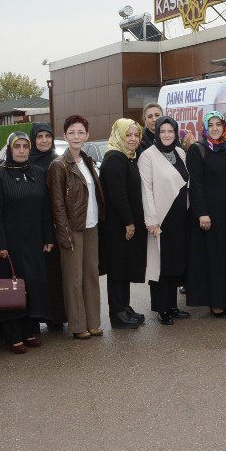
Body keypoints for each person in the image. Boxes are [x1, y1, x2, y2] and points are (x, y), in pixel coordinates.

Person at [0, 133, 55, 353]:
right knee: (13, 287)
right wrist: (0, 244)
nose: (21, 151)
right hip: (9, 244)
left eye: (25, 146)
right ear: (10, 150)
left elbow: (45, 209)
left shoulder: (38, 174)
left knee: (32, 285)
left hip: (34, 241)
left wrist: (48, 237)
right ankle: (12, 335)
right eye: (17, 147)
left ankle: (30, 329)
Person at [48, 115, 104, 339]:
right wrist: (64, 235)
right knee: (74, 278)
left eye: (81, 132)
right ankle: (78, 325)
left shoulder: (87, 160)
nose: (76, 136)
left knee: (91, 274)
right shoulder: (58, 165)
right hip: (72, 228)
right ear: (64, 136)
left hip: (91, 226)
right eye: (72, 132)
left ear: (87, 135)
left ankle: (94, 322)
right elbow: (58, 205)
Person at [186, 111, 226, 316]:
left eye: (218, 124)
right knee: (213, 259)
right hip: (209, 216)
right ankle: (216, 301)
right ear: (205, 128)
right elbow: (196, 185)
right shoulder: (198, 150)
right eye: (210, 125)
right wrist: (202, 212)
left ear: (224, 126)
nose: (215, 128)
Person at [139, 117, 190, 325]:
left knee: (174, 262)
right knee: (160, 264)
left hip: (180, 217)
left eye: (171, 131)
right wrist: (151, 219)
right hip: (160, 218)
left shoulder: (180, 152)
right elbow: (146, 189)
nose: (167, 135)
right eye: (163, 131)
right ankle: (162, 308)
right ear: (157, 133)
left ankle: (173, 306)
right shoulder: (147, 156)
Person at [99, 119, 148, 329]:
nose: (133, 139)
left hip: (127, 224)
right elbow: (118, 195)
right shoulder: (114, 159)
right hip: (117, 226)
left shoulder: (128, 158)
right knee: (117, 269)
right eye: (128, 135)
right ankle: (117, 314)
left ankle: (125, 307)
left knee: (125, 266)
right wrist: (129, 222)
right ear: (119, 135)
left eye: (136, 135)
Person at [28, 122, 66, 331]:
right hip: (32, 226)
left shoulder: (57, 162)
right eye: (39, 136)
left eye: (47, 136)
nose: (44, 140)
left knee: (54, 274)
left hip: (54, 225)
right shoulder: (25, 161)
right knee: (34, 273)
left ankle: (55, 316)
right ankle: (34, 317)